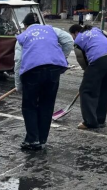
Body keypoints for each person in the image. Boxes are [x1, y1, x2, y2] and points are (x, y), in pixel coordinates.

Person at [14, 13, 74, 151]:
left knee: (29, 106)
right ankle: (42, 139)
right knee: (47, 105)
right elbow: (68, 41)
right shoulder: (51, 30)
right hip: (53, 70)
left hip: (32, 71)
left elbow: (19, 61)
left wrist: (18, 85)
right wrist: (60, 57)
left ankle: (32, 140)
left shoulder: (23, 36)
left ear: (26, 25)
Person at [69, 24, 107, 130]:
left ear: (76, 33)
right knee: (104, 90)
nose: (73, 38)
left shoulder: (78, 41)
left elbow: (81, 60)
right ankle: (100, 120)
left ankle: (90, 122)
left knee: (86, 90)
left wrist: (87, 73)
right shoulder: (96, 30)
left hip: (98, 60)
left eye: (72, 35)